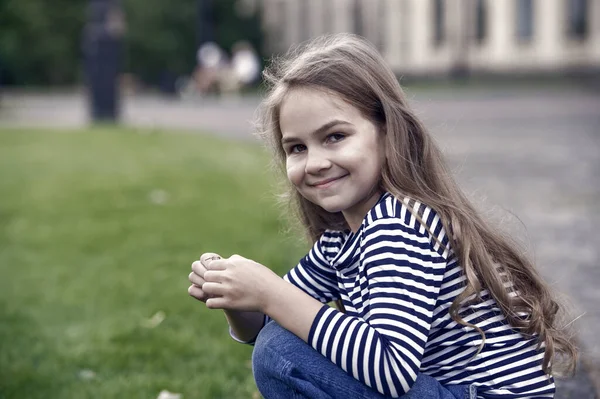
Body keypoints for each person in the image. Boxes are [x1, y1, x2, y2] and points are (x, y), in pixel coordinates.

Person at [187, 33, 577, 398]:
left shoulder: (398, 224)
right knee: (278, 343)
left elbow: (390, 366)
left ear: (388, 133)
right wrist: (236, 298)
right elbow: (270, 323)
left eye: (335, 137)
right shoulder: (342, 239)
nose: (315, 162)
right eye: (297, 148)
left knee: (280, 354)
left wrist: (272, 292)